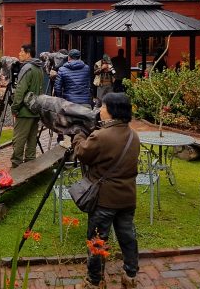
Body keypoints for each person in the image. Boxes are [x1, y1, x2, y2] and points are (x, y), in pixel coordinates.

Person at [72, 92, 140, 289]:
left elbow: (82, 153)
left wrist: (78, 134)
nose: (100, 110)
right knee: (127, 236)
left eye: (102, 107)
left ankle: (94, 281)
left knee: (97, 240)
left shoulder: (101, 136)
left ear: (111, 112)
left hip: (104, 199)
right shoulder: (133, 136)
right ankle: (130, 274)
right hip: (127, 197)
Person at [10, 44, 43, 168]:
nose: (19, 53)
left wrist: (15, 108)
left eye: (21, 51)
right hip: (36, 109)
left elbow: (20, 90)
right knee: (32, 139)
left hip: (25, 110)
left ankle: (16, 164)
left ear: (28, 53)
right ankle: (30, 164)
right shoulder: (39, 68)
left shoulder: (27, 68)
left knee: (19, 138)